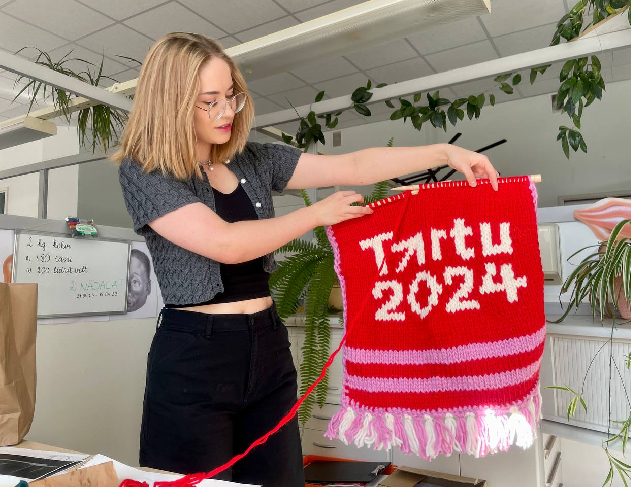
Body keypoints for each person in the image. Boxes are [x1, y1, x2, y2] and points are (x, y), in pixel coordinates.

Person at [113, 32, 499, 487]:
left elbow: (352, 166)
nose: (226, 112)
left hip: (267, 346)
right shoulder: (145, 172)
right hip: (195, 358)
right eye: (209, 102)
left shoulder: (254, 160)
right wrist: (317, 214)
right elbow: (226, 243)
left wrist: (446, 152)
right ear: (172, 104)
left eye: (231, 96)